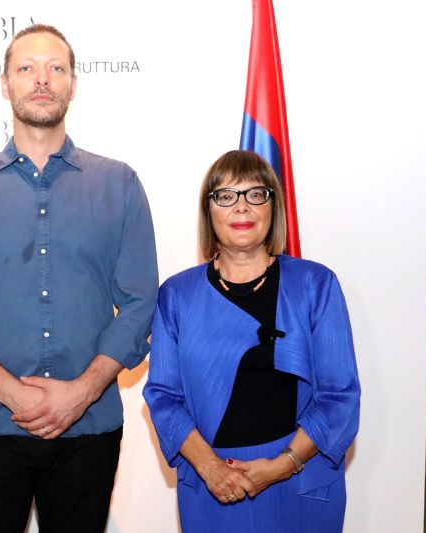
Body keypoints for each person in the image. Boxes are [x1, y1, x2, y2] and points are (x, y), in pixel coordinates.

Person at [0, 24, 158, 533]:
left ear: (73, 83)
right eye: (26, 68)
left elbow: (140, 302)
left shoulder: (119, 184)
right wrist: (12, 393)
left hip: (88, 430)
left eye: (56, 68)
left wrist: (82, 392)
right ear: (5, 84)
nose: (42, 79)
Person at [143, 150, 360, 532]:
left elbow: (339, 396)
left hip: (301, 480)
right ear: (208, 211)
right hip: (212, 487)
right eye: (226, 196)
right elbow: (163, 397)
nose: (241, 207)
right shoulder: (176, 296)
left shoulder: (316, 285)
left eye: (256, 194)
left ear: (273, 206)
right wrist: (211, 468)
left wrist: (281, 466)